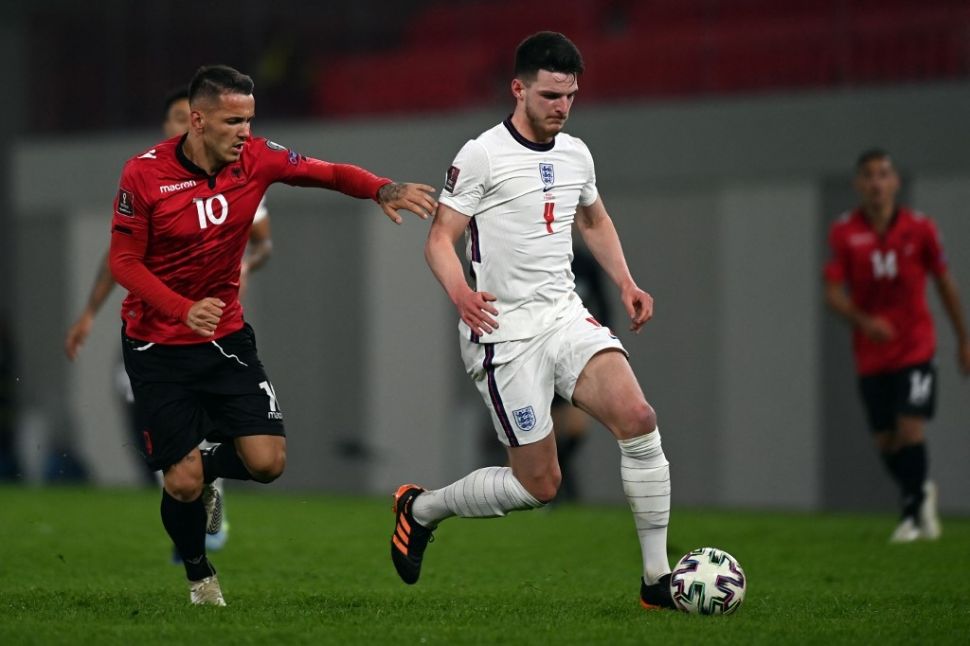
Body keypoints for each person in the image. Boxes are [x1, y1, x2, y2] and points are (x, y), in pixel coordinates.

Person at [108, 64, 436, 606]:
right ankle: (199, 576)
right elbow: (124, 261)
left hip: (224, 338)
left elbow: (327, 172)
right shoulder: (143, 175)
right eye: (233, 120)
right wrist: (180, 308)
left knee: (267, 463)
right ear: (196, 120)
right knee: (182, 483)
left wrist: (383, 188)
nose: (245, 131)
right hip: (155, 344)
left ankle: (208, 466)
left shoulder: (256, 158)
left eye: (249, 120)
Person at [390, 32, 675, 610]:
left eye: (570, 96)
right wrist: (461, 294)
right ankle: (420, 509)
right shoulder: (482, 154)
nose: (561, 108)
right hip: (503, 334)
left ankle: (656, 582)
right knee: (538, 486)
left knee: (639, 418)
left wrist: (626, 281)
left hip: (565, 317)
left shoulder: (577, 153)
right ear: (518, 89)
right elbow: (439, 240)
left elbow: (592, 220)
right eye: (549, 95)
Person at [65, 88, 273, 552]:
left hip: (212, 331)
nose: (186, 124)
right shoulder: (147, 175)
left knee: (238, 438)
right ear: (167, 125)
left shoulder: (236, 171)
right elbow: (117, 257)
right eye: (176, 117)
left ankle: (201, 482)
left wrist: (246, 264)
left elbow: (264, 243)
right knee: (151, 432)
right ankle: (188, 495)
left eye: (192, 116)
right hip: (152, 334)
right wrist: (88, 314)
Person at [824, 149, 970, 543]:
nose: (876, 182)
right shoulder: (845, 232)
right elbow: (832, 292)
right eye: (869, 175)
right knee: (885, 440)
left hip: (915, 347)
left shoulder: (920, 229)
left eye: (883, 174)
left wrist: (963, 339)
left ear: (895, 182)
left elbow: (944, 284)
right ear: (858, 184)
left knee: (910, 427)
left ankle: (910, 516)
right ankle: (921, 489)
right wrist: (864, 320)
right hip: (872, 353)